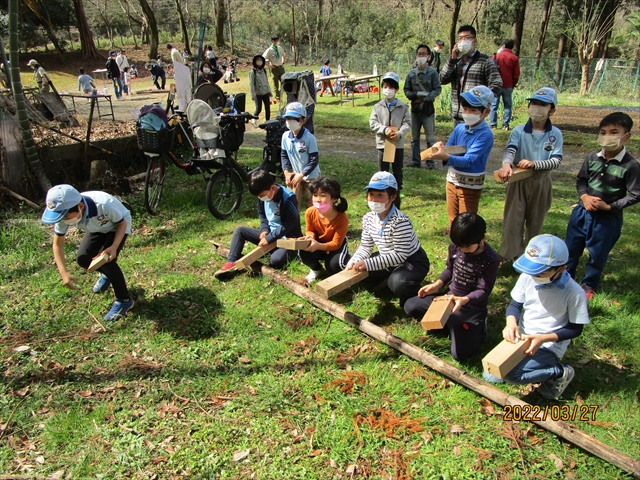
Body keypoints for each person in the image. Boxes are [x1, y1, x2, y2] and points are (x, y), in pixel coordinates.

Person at [483, 235, 590, 400]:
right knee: (491, 374)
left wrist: (543, 338)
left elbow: (575, 329)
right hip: (522, 337)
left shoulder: (574, 293)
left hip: (548, 345)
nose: (535, 275)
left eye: (542, 271)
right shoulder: (528, 277)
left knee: (512, 376)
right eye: (533, 269)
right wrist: (511, 323)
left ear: (561, 268)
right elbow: (515, 305)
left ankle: (560, 372)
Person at [404, 213, 500, 361]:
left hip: (470, 307)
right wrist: (437, 284)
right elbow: (450, 269)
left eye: (467, 248)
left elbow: (483, 291)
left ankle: (478, 327)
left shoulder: (491, 259)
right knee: (410, 305)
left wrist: (465, 299)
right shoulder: (456, 246)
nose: (461, 250)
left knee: (461, 355)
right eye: (459, 246)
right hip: (448, 298)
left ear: (482, 239)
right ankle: (448, 324)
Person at [564, 112, 639, 300]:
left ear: (626, 136)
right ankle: (565, 278)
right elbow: (581, 180)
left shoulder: (630, 165)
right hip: (582, 213)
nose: (607, 137)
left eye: (614, 132)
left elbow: (636, 193)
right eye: (603, 132)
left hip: (607, 219)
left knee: (598, 253)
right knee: (571, 248)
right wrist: (584, 197)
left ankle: (589, 284)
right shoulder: (592, 157)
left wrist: (611, 207)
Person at [41, 184, 134, 321]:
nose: (64, 221)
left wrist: (114, 247)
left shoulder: (103, 204)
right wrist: (63, 272)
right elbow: (57, 244)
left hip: (118, 225)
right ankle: (108, 276)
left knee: (108, 261)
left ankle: (124, 300)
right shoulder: (65, 213)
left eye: (66, 217)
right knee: (83, 259)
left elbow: (121, 224)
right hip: (96, 228)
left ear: (81, 206)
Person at [496, 88, 562, 262]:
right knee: (513, 219)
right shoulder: (519, 130)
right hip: (518, 180)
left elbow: (556, 160)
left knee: (535, 220)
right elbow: (511, 150)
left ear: (552, 110)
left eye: (543, 105)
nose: (537, 108)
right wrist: (506, 165)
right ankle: (510, 255)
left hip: (541, 181)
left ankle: (532, 256)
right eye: (534, 103)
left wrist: (535, 164)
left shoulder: (555, 134)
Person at [346, 172, 430, 307]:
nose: (374, 200)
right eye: (371, 194)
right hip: (387, 258)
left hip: (411, 260)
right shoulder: (368, 218)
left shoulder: (400, 221)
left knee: (398, 283)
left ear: (392, 197)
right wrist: (355, 260)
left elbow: (400, 256)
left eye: (380, 195)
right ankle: (387, 282)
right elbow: (366, 246)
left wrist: (369, 263)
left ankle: (416, 295)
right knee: (360, 275)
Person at [213, 170, 302, 278]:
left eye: (262, 195)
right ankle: (231, 262)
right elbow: (263, 216)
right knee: (240, 231)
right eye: (259, 196)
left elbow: (290, 223)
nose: (261, 198)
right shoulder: (262, 196)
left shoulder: (288, 198)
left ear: (272, 188)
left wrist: (270, 238)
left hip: (287, 238)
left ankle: (289, 253)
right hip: (270, 235)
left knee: (276, 261)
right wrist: (264, 230)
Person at [429, 86, 494, 225]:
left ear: (486, 112)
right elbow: (450, 149)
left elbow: (469, 160)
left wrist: (445, 157)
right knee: (453, 220)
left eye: (473, 110)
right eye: (465, 109)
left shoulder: (485, 135)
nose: (467, 113)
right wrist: (441, 148)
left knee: (466, 224)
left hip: (470, 186)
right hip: (452, 180)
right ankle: (454, 246)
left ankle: (466, 247)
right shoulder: (459, 128)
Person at [439, 25, 502, 126]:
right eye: (460, 38)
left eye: (467, 38)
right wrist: (452, 59)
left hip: (475, 116)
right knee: (458, 142)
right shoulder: (457, 62)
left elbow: (497, 83)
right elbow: (442, 79)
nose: (463, 41)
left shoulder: (484, 61)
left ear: (474, 40)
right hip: (458, 115)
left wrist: (484, 103)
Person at [299, 177, 350, 283]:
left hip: (336, 246)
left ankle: (349, 258)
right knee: (303, 251)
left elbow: (336, 244)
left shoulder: (342, 218)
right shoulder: (310, 212)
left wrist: (318, 246)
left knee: (334, 265)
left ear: (334, 199)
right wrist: (310, 237)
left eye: (323, 195)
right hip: (318, 241)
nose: (317, 199)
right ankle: (317, 270)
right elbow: (310, 230)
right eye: (315, 195)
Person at [369, 72, 411, 192]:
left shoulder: (403, 106)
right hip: (382, 143)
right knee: (383, 170)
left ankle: (398, 191)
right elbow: (373, 122)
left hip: (397, 144)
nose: (388, 90)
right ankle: (383, 190)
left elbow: (407, 123)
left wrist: (399, 134)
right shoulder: (378, 106)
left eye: (391, 87)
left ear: (397, 89)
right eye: (385, 86)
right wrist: (384, 130)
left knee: (398, 169)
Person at [404, 44, 442, 169]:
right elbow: (406, 90)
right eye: (419, 54)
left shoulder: (432, 73)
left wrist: (425, 98)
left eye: (423, 54)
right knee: (414, 138)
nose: (421, 56)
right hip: (415, 110)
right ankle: (416, 161)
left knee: (430, 138)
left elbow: (437, 89)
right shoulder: (411, 74)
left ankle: (430, 162)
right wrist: (415, 96)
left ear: (428, 56)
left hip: (427, 110)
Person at [281, 102, 320, 211]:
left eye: (294, 118)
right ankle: (293, 227)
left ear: (303, 120)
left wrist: (302, 175)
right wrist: (286, 172)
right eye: (288, 118)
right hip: (295, 175)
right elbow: (284, 155)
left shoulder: (309, 138)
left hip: (311, 177)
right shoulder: (285, 137)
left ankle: (313, 227)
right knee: (292, 205)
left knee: (312, 206)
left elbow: (314, 160)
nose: (290, 121)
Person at [490, 39, 520, 131]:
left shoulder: (496, 57)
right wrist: (513, 84)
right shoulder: (514, 58)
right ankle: (505, 125)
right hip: (508, 85)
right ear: (512, 47)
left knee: (494, 105)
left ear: (504, 45)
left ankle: (493, 124)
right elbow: (516, 74)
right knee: (508, 105)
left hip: (496, 85)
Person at [249, 54, 272, 123]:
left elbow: (266, 81)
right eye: (257, 60)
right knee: (259, 108)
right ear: (255, 62)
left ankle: (268, 122)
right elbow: (252, 84)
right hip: (258, 93)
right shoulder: (253, 72)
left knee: (268, 108)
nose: (259, 61)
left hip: (266, 92)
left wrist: (269, 91)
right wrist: (252, 94)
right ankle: (254, 119)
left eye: (260, 60)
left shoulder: (264, 70)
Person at [263, 35, 286, 101]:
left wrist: (283, 63)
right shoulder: (269, 50)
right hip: (274, 69)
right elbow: (263, 59)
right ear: (272, 41)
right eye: (276, 41)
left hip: (281, 68)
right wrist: (270, 66)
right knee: (276, 85)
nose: (277, 42)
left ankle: (283, 95)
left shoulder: (279, 48)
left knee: (284, 82)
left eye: (278, 40)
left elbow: (283, 55)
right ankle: (278, 97)